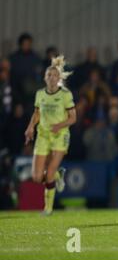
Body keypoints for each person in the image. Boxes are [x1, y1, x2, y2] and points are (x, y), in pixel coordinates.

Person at [24, 56, 77, 216]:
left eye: (54, 75)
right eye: (49, 75)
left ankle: (48, 209)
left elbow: (73, 118)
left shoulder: (65, 95)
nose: (52, 78)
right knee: (37, 176)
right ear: (44, 78)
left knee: (49, 172)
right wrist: (30, 127)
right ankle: (58, 174)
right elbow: (37, 113)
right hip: (43, 135)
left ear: (59, 78)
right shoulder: (40, 94)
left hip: (60, 135)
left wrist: (59, 126)